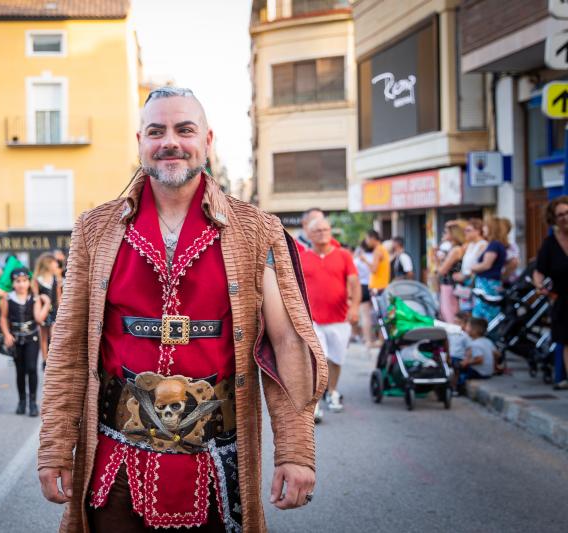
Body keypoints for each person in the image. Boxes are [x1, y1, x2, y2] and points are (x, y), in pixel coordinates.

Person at [38, 87, 327, 531]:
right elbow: (69, 348)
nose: (170, 141)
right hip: (114, 469)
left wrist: (295, 451)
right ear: (140, 141)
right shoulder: (94, 229)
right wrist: (56, 447)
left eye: (184, 129)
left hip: (217, 470)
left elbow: (287, 340)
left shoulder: (257, 230)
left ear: (207, 140)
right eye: (156, 131)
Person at [298, 217, 360, 421]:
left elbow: (354, 283)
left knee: (336, 359)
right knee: (318, 359)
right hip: (313, 320)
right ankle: (314, 403)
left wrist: (355, 308)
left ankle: (332, 392)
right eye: (318, 231)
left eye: (326, 229)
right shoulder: (303, 257)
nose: (323, 233)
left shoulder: (344, 256)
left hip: (339, 319)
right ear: (310, 235)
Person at [0, 268, 49, 416]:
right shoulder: (7, 298)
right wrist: (7, 334)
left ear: (29, 282)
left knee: (32, 369)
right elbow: (3, 318)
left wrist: (46, 303)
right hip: (16, 339)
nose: (21, 284)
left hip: (31, 338)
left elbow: (39, 319)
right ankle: (22, 401)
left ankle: (33, 402)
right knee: (20, 371)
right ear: (13, 283)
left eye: (24, 281)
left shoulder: (34, 299)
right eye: (18, 281)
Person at [534, 195, 568, 390]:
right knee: (567, 341)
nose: (565, 218)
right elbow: (539, 271)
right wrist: (540, 287)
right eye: (560, 215)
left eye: (567, 213)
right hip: (563, 299)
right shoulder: (550, 243)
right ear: (554, 219)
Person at [471, 217, 507, 321]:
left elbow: (486, 265)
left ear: (492, 228)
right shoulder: (498, 244)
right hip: (491, 283)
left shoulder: (494, 245)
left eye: (486, 226)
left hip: (487, 284)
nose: (483, 229)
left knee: (485, 315)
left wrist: (472, 267)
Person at [437, 220, 467, 323]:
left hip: (449, 286)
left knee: (450, 315)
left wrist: (438, 261)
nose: (443, 234)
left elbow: (442, 270)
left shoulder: (455, 250)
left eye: (446, 232)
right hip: (451, 285)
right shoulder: (456, 248)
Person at [453, 317, 497, 385]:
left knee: (459, 370)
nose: (465, 328)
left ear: (474, 330)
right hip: (489, 372)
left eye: (468, 326)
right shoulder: (488, 341)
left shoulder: (474, 344)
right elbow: (497, 354)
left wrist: (466, 363)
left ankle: (456, 387)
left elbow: (479, 360)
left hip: (480, 372)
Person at [35, 253, 61, 364]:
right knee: (43, 335)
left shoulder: (56, 279)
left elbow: (59, 298)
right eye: (54, 262)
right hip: (43, 311)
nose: (56, 265)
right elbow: (36, 298)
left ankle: (54, 356)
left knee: (53, 333)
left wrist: (61, 312)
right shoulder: (37, 280)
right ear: (48, 263)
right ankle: (45, 359)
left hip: (54, 310)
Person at [353, 240, 374, 345]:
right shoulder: (375, 258)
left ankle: (367, 340)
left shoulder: (357, 260)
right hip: (374, 287)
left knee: (365, 315)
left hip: (362, 286)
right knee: (376, 315)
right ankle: (375, 338)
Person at [447, 311, 471, 395]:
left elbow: (469, 349)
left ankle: (454, 388)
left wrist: (466, 360)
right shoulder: (450, 333)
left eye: (459, 323)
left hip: (458, 358)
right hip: (449, 356)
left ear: (464, 325)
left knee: (456, 373)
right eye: (455, 322)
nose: (456, 325)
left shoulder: (465, 336)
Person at [498, 218, 520, 286]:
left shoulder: (511, 245)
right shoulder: (493, 243)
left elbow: (514, 262)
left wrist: (502, 277)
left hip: (505, 281)